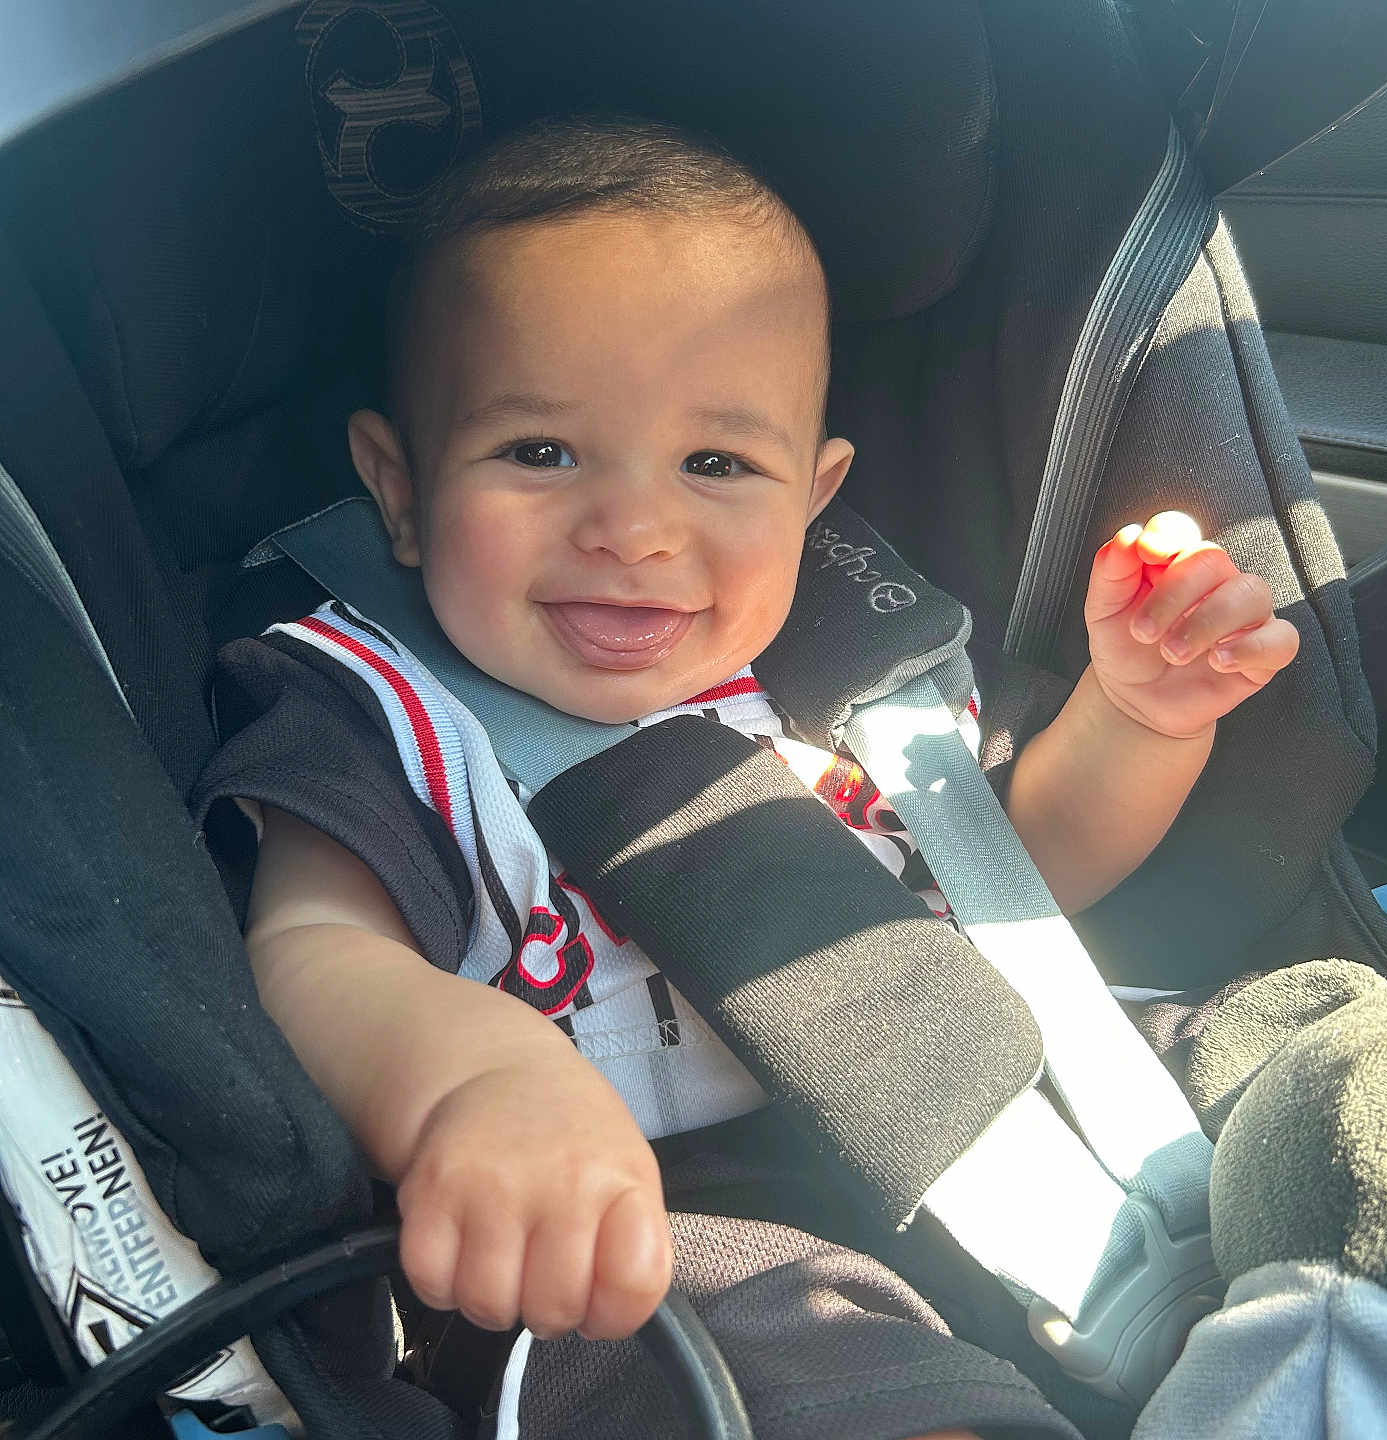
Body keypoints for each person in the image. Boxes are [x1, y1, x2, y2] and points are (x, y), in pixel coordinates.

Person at [195, 115, 1299, 1439]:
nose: (637, 530)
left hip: (1020, 1106)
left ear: (816, 492)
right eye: (540, 452)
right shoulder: (379, 710)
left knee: (1315, 1069)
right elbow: (311, 947)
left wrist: (1139, 717)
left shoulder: (855, 676)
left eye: (717, 464)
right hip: (658, 1226)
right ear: (402, 486)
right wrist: (467, 1083)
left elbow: (1021, 882)